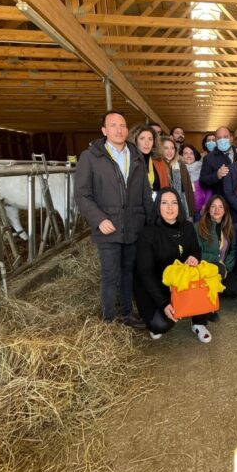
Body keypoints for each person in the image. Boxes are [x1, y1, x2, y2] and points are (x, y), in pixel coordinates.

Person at [75, 110, 154, 328]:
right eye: (113, 125)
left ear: (127, 130)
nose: (119, 130)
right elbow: (82, 194)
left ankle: (127, 314)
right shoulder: (91, 157)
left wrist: (148, 223)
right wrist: (99, 219)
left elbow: (145, 193)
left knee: (128, 272)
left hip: (133, 225)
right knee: (110, 275)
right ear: (104, 130)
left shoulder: (136, 156)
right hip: (107, 227)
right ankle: (108, 320)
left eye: (122, 125)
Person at [135, 188, 213, 343]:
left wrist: (193, 258)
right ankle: (177, 308)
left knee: (204, 276)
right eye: (164, 203)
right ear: (158, 206)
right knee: (159, 325)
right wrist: (163, 303)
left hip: (181, 283)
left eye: (174, 203)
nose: (170, 208)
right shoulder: (148, 233)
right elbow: (145, 273)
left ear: (179, 205)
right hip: (158, 287)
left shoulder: (187, 227)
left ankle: (198, 322)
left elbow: (196, 251)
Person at [196, 195, 237, 300]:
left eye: (220, 207)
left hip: (224, 268)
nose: (217, 210)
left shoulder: (229, 227)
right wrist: (216, 260)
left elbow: (233, 250)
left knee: (235, 290)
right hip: (206, 268)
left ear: (225, 210)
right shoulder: (198, 227)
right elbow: (196, 253)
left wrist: (227, 266)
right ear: (208, 209)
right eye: (213, 206)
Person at [161, 136, 195, 221]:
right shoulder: (158, 166)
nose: (170, 151)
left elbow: (189, 190)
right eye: (166, 148)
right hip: (164, 210)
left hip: (183, 208)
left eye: (172, 148)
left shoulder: (181, 165)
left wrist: (191, 213)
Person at [132, 124, 170, 200]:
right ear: (135, 141)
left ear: (154, 142)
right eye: (142, 138)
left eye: (150, 139)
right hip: (137, 207)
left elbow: (165, 187)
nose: (147, 143)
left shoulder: (159, 161)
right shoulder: (129, 161)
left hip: (156, 206)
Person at [200, 126, 236, 197]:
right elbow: (203, 181)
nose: (222, 140)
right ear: (216, 141)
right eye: (219, 138)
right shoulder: (209, 158)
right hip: (222, 202)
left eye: (225, 137)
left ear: (231, 138)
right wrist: (217, 176)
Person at [181, 143, 211, 220]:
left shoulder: (203, 169)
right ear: (181, 156)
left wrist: (205, 206)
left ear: (195, 155)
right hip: (184, 211)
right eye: (185, 153)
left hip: (200, 211)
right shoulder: (177, 170)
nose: (189, 156)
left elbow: (209, 190)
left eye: (191, 153)